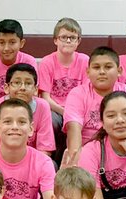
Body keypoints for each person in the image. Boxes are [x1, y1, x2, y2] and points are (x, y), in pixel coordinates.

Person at [63, 47, 126, 166]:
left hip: (125, 155)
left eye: (108, 67)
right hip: (90, 157)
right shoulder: (77, 94)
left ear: (119, 71)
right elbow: (74, 132)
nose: (102, 72)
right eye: (96, 67)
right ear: (87, 72)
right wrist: (76, 165)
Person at [0, 98, 55, 199]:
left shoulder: (43, 162)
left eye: (21, 122)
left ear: (31, 129)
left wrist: (65, 187)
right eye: (7, 121)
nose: (15, 127)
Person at [38, 18, 89, 164]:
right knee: (52, 121)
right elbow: (45, 97)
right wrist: (64, 111)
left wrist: (72, 112)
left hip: (78, 110)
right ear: (55, 40)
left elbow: (86, 94)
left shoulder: (85, 61)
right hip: (56, 110)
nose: (68, 41)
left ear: (78, 41)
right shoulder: (47, 62)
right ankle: (53, 161)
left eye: (72, 38)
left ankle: (78, 161)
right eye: (63, 37)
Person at [0, 63, 56, 155]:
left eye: (28, 83)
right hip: (0, 161)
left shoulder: (43, 106)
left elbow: (45, 149)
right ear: (6, 87)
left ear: (36, 89)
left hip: (32, 162)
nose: (22, 88)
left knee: (51, 164)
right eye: (17, 83)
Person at [0, 19, 38, 109]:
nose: (6, 48)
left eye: (12, 42)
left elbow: (33, 96)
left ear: (21, 43)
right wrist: (5, 112)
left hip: (23, 109)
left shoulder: (29, 61)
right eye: (1, 42)